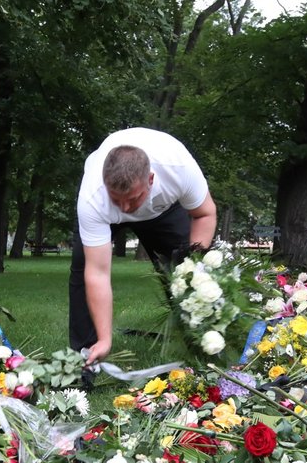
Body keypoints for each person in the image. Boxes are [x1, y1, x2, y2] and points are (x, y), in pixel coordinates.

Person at [69, 128, 217, 365]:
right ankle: (85, 359)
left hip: (163, 210)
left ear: (150, 179)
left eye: (133, 199)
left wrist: (193, 268)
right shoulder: (93, 197)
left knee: (182, 272)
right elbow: (98, 274)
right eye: (118, 200)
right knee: (83, 269)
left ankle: (203, 350)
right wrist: (107, 338)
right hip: (106, 216)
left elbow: (205, 214)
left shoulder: (179, 169)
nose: (126, 208)